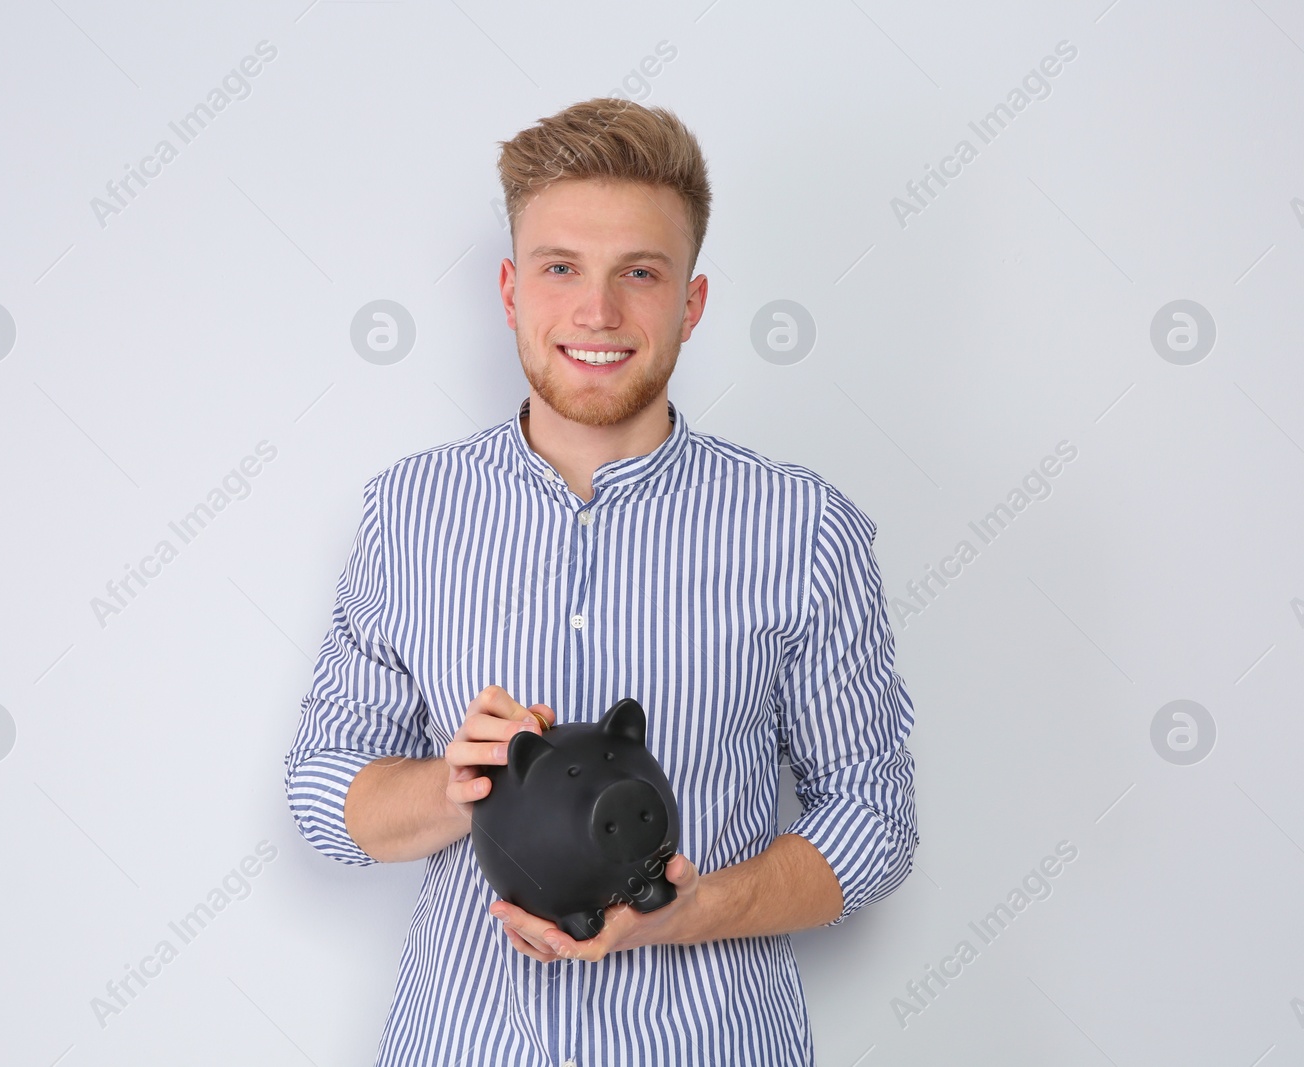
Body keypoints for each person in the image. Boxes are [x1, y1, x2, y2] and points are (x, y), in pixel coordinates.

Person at [285, 96, 919, 1067]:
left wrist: (687, 911)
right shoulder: (408, 510)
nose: (597, 311)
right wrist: (458, 788)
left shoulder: (803, 528)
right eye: (560, 268)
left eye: (639, 272)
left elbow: (873, 817)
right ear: (508, 290)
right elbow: (326, 787)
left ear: (689, 302)